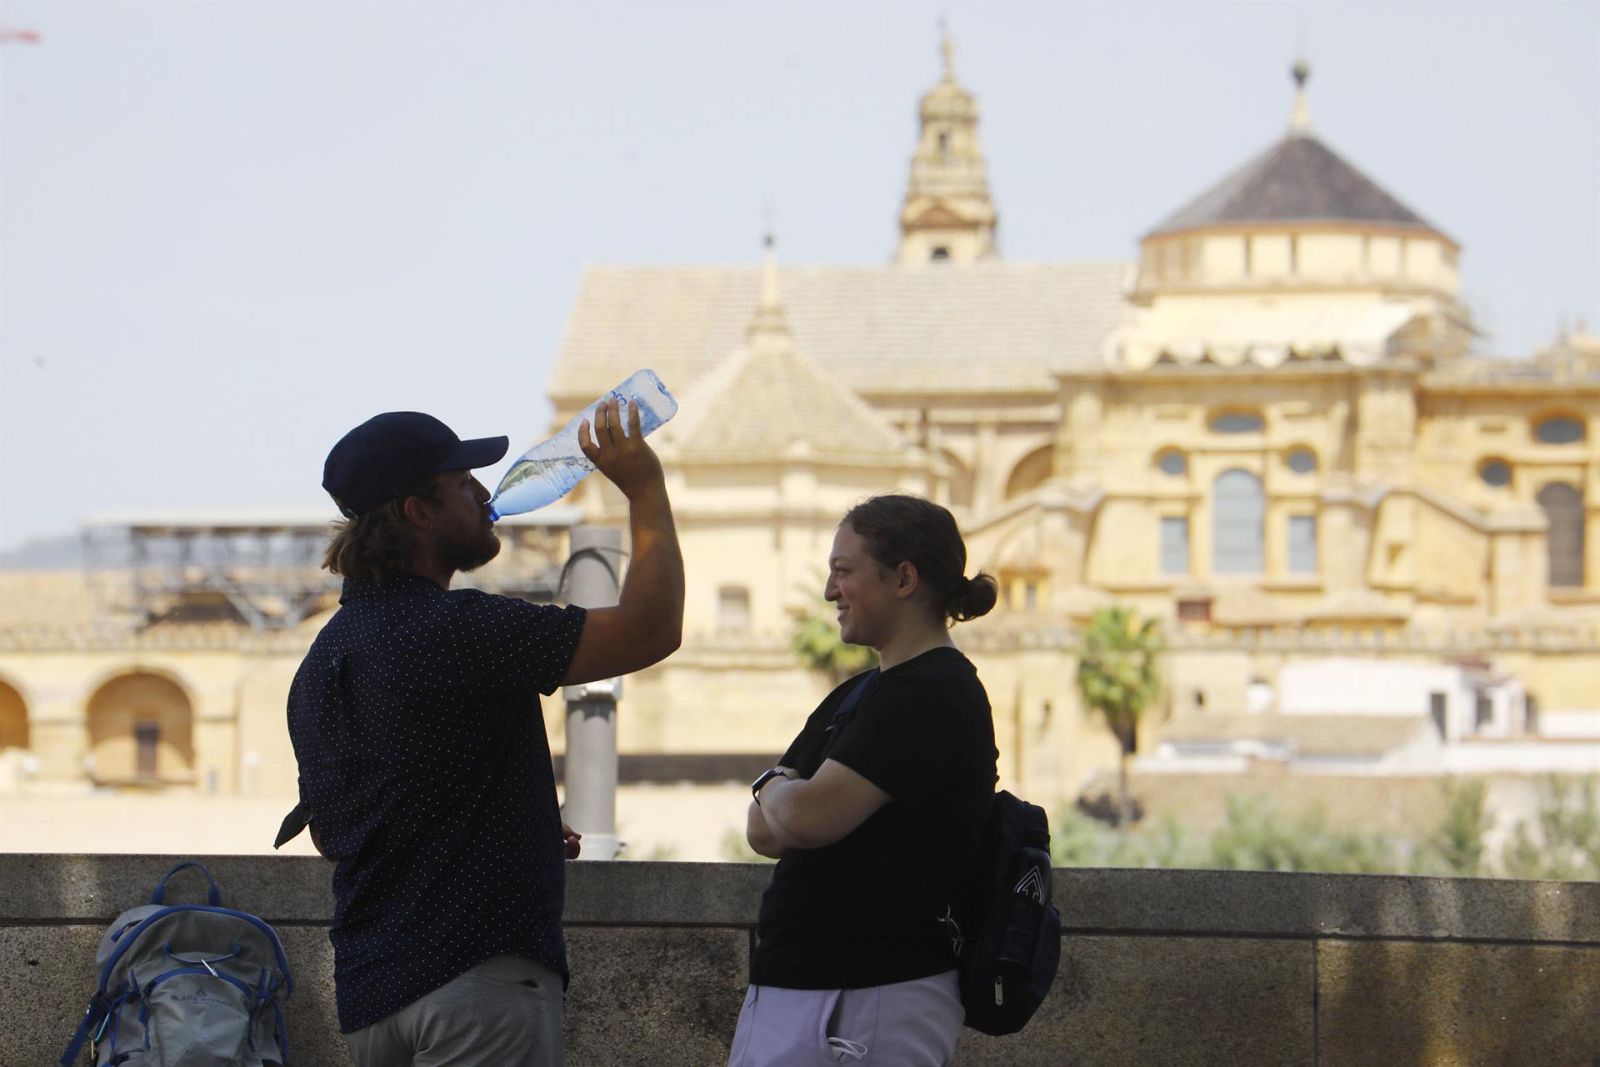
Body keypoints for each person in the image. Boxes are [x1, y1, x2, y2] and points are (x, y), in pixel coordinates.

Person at [284, 398, 683, 1067]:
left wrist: (503, 819)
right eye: (464, 481)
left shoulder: (322, 659)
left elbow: (338, 829)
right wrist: (644, 487)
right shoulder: (459, 627)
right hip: (476, 983)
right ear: (418, 510)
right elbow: (650, 628)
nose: (483, 492)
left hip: (372, 998)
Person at [732, 494, 999, 1067]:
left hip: (866, 998)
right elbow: (764, 833)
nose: (831, 591)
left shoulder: (933, 694)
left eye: (843, 571)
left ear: (903, 579)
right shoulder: (857, 693)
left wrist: (776, 786)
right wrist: (786, 796)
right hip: (809, 993)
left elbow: (804, 818)